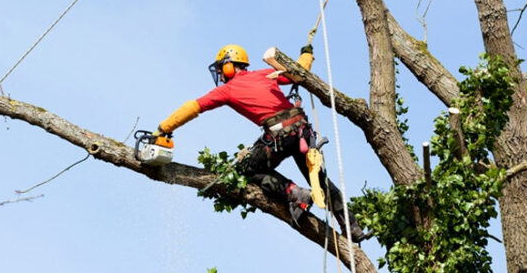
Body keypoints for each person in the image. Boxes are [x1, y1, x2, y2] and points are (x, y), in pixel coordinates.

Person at [153, 44, 370, 242]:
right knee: (320, 181)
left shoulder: (227, 90)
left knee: (247, 170)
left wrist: (164, 128)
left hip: (280, 135)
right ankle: (352, 226)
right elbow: (299, 73)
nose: (220, 74)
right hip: (302, 131)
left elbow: (194, 107)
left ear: (229, 66)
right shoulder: (265, 74)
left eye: (221, 69)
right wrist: (307, 54)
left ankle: (294, 193)